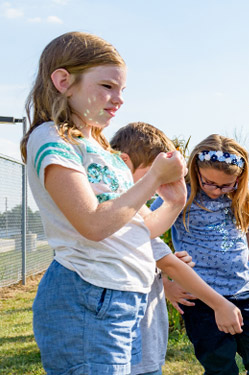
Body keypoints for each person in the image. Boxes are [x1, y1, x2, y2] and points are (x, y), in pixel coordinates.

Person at [22, 31, 188, 374]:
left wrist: (174, 201)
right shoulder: (51, 138)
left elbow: (137, 231)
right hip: (88, 293)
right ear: (63, 81)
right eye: (107, 86)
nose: (119, 99)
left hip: (123, 296)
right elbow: (93, 224)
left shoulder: (105, 153)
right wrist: (154, 178)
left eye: (122, 90)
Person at [111, 122, 244, 375]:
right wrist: (220, 304)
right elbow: (164, 257)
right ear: (124, 162)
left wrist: (161, 268)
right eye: (154, 174)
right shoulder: (119, 208)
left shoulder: (133, 210)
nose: (158, 184)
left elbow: (150, 244)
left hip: (144, 344)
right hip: (125, 343)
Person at [153, 134, 249, 375]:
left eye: (226, 185)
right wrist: (166, 284)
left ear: (239, 179)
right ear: (195, 169)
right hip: (200, 297)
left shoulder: (242, 197)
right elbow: (145, 234)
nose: (216, 190)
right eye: (209, 182)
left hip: (244, 291)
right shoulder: (180, 195)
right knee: (221, 369)